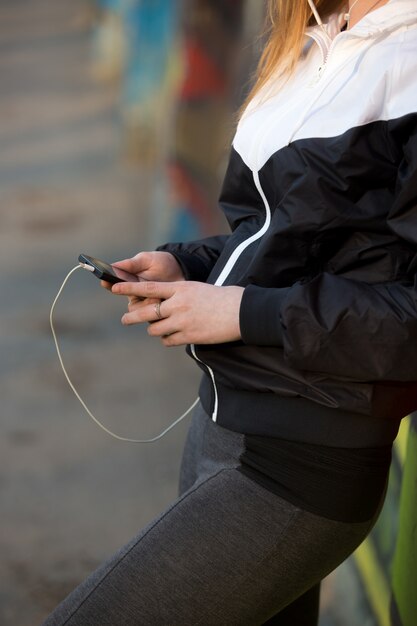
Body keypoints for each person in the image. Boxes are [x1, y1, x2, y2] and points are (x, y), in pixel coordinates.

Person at [43, 1, 417, 624]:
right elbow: (286, 239)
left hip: (301, 462)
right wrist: (188, 264)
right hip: (219, 427)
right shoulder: (313, 37)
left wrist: (241, 312)